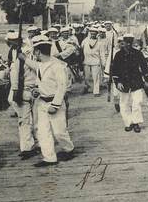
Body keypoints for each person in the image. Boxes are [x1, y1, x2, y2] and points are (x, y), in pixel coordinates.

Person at [19, 35, 74, 167]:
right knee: (43, 131)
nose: (34, 54)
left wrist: (55, 105)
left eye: (34, 52)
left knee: (59, 131)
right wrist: (36, 90)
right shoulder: (42, 65)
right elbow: (37, 72)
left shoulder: (57, 66)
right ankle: (49, 157)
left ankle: (68, 149)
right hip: (42, 102)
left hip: (55, 104)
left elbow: (62, 87)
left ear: (37, 51)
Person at [112, 34, 148, 133]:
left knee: (137, 102)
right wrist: (118, 82)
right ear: (123, 42)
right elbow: (115, 70)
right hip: (123, 82)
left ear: (132, 42)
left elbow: (144, 67)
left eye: (130, 42)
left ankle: (136, 122)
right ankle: (128, 123)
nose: (128, 45)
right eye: (126, 42)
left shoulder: (138, 53)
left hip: (136, 81)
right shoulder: (118, 55)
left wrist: (146, 79)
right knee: (124, 103)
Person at [9, 35, 39, 160]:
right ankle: (29, 146)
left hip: (35, 91)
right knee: (27, 121)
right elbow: (15, 76)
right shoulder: (21, 60)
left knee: (31, 121)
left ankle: (33, 145)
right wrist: (16, 91)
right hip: (27, 91)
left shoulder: (26, 59)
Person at [82, 27, 104, 96]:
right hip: (86, 61)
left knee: (96, 77)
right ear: (89, 34)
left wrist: (103, 63)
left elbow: (102, 54)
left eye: (94, 34)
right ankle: (87, 87)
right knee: (86, 77)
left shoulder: (100, 43)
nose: (93, 35)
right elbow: (81, 47)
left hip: (96, 61)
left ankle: (96, 91)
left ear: (97, 34)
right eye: (91, 34)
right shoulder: (85, 41)